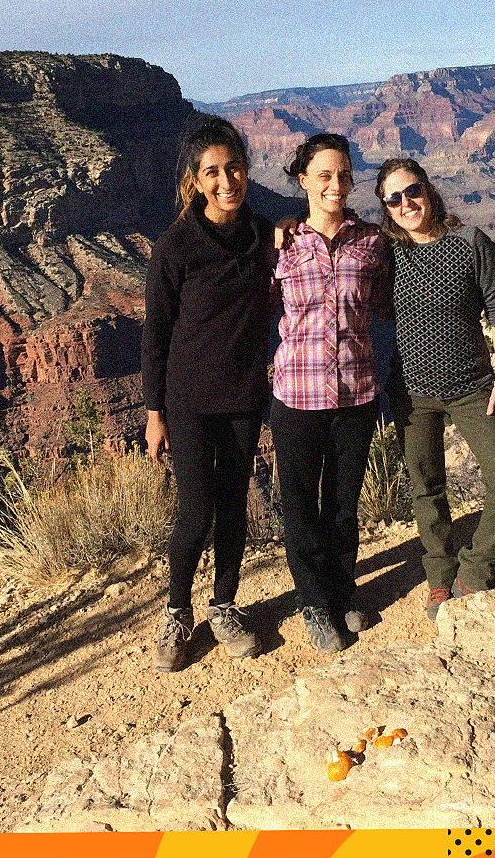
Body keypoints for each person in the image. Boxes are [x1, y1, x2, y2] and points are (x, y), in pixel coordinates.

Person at [141, 118, 276, 671]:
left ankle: (224, 604)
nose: (227, 181)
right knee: (196, 510)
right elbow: (156, 333)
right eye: (213, 172)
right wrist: (155, 413)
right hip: (189, 401)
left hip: (243, 395)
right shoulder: (175, 247)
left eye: (235, 168)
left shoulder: (262, 234)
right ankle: (177, 610)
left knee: (234, 504)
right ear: (195, 180)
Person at [374, 158, 495, 619]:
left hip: (474, 388)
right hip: (411, 392)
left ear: (429, 189)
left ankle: (476, 570)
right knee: (427, 488)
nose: (406, 203)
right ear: (386, 208)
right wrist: (286, 224)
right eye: (394, 199)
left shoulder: (470, 243)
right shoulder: (386, 252)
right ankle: (439, 575)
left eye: (413, 191)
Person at [269, 133, 391, 653]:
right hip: (296, 395)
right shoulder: (282, 244)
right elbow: (254, 309)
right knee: (299, 504)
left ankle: (342, 590)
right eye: (324, 175)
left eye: (343, 174)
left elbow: (386, 307)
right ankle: (313, 601)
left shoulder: (372, 242)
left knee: (343, 503)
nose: (335, 185)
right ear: (303, 180)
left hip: (356, 393)